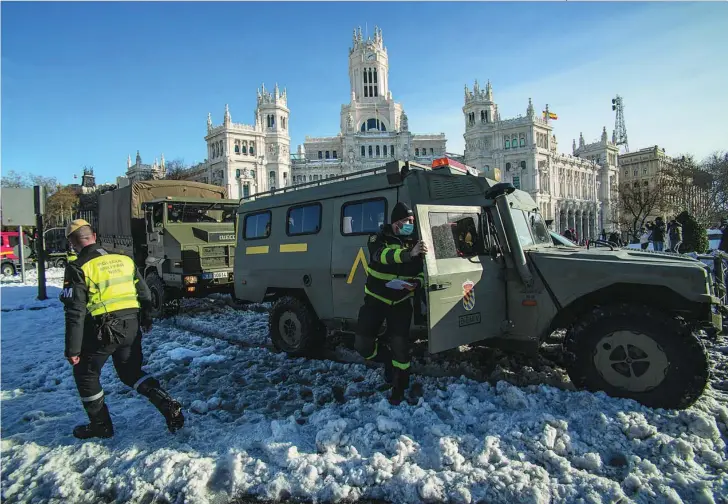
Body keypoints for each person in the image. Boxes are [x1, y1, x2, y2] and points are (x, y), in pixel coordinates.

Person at [60, 219, 184, 439]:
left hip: (102, 330)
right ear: (95, 236)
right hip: (131, 326)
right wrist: (146, 319)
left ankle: (101, 425)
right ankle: (165, 402)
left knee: (86, 375)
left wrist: (73, 349)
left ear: (72, 243)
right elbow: (145, 294)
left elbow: (76, 311)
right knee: (131, 372)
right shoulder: (123, 260)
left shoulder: (78, 267)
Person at [354, 202, 427, 405]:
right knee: (362, 345)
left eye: (413, 221)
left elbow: (422, 271)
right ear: (396, 223)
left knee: (401, 348)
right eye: (407, 221)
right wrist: (408, 254)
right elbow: (382, 257)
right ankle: (386, 360)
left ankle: (399, 387)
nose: (411, 224)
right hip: (375, 300)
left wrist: (416, 283)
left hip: (401, 302)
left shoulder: (417, 242)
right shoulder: (378, 238)